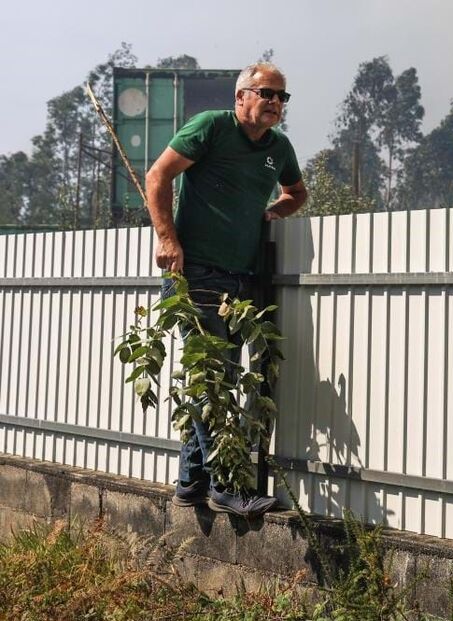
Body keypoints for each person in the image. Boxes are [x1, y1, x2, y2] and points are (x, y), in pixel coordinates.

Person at [145, 62, 308, 518]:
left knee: (220, 377)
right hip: (194, 272)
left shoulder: (278, 147)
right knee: (210, 379)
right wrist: (166, 238)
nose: (275, 102)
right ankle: (226, 485)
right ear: (241, 98)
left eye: (281, 96)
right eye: (266, 93)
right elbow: (158, 176)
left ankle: (189, 484)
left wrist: (273, 212)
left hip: (241, 279)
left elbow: (297, 192)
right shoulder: (211, 128)